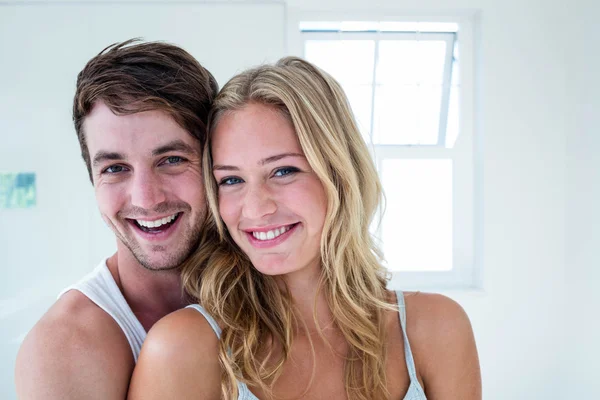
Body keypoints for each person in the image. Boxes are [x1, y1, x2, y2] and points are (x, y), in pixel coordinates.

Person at [129, 57, 481, 400]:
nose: (255, 208)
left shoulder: (435, 330)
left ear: (341, 174)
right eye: (232, 179)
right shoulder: (182, 350)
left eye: (283, 171)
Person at [14, 39, 218, 399]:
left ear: (213, 162)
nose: (146, 198)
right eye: (115, 168)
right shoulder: (64, 349)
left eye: (171, 159)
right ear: (93, 178)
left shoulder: (270, 285)